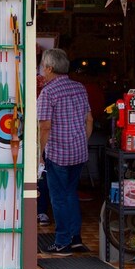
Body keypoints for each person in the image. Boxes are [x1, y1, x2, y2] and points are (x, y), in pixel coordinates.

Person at [36, 48, 93, 256]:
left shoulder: (48, 93)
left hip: (58, 154)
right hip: (78, 153)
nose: (42, 70)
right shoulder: (79, 88)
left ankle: (62, 242)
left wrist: (39, 153)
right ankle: (75, 238)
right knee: (70, 194)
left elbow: (45, 127)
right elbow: (89, 120)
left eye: (43, 66)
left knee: (59, 198)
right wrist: (80, 141)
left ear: (49, 68)